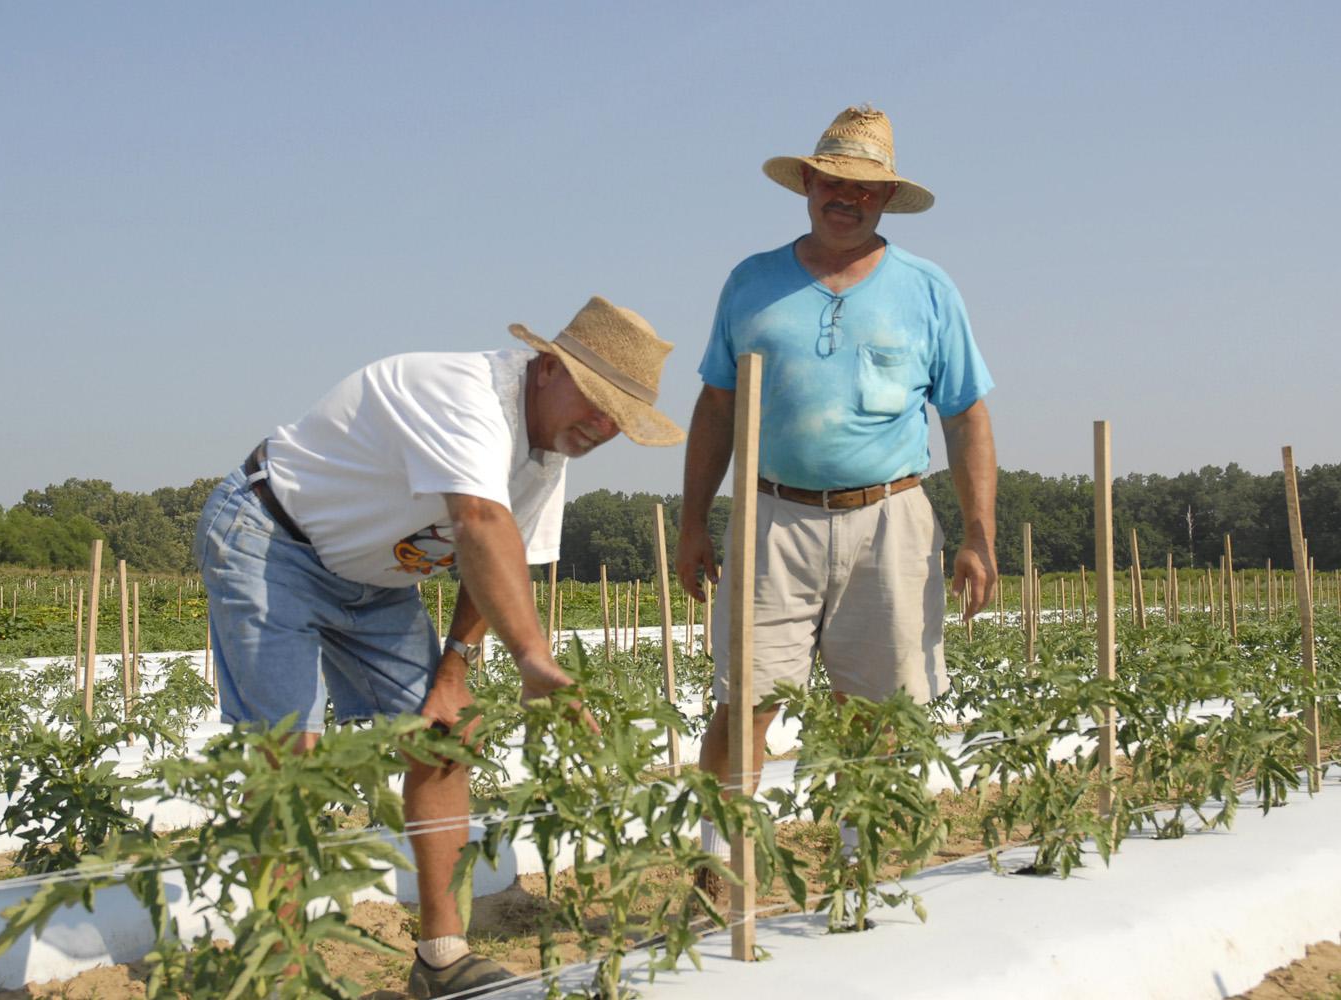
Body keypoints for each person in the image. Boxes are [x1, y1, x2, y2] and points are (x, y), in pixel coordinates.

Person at [196, 296, 684, 999]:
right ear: (548, 368)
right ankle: (283, 973)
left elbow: (498, 560)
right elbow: (479, 521)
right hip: (272, 541)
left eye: (621, 419)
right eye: (599, 402)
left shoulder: (546, 454)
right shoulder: (467, 397)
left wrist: (454, 673)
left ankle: (442, 958)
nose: (603, 428)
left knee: (445, 732)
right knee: (286, 758)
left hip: (376, 580)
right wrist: (532, 656)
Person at [676, 105, 998, 879]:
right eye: (832, 181)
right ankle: (722, 865)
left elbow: (966, 415)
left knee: (879, 706)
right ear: (808, 184)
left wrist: (980, 532)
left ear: (886, 198)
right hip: (770, 515)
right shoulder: (751, 283)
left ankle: (864, 860)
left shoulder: (927, 289)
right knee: (745, 700)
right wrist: (693, 522)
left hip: (890, 517)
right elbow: (716, 405)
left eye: (865, 188)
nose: (845, 198)